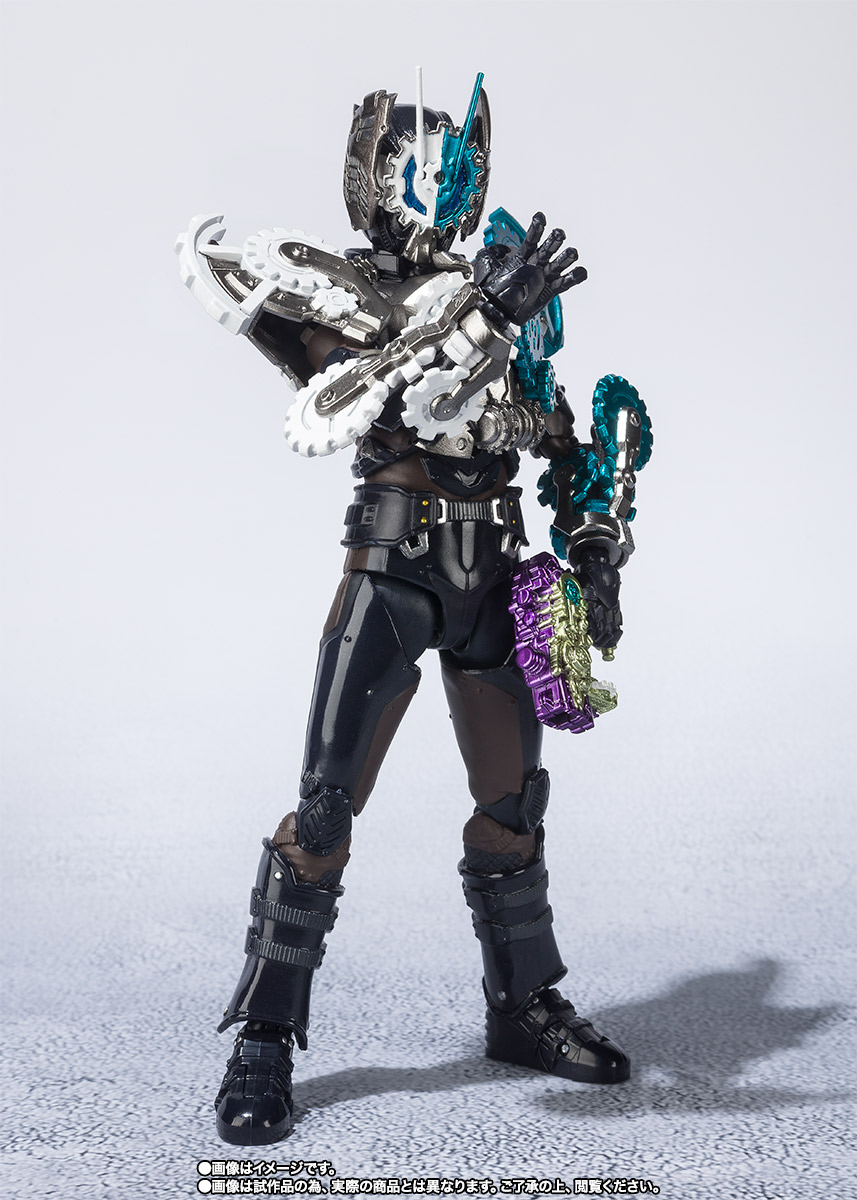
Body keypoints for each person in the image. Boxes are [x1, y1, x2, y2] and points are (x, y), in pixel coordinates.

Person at [176, 72, 650, 1146]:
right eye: (411, 167)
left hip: (492, 579)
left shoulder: (510, 291)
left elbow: (562, 437)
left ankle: (522, 1008)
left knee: (513, 807)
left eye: (448, 169)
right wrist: (483, 314)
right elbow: (367, 394)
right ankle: (264, 1032)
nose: (433, 187)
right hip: (393, 575)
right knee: (325, 810)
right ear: (373, 175)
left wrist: (593, 548)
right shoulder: (338, 293)